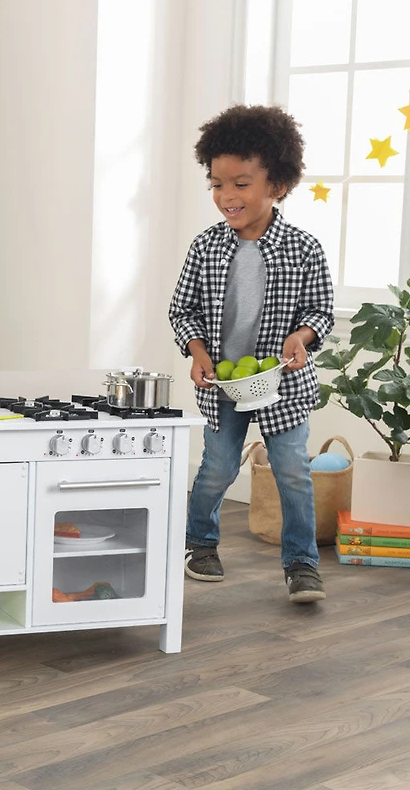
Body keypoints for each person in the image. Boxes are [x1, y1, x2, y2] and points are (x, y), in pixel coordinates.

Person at [169, 104, 334, 603]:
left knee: (292, 472)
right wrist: (198, 353)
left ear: (277, 185)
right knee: (218, 468)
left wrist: (300, 338)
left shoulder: (304, 249)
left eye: (241, 183)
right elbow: (183, 311)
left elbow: (320, 311)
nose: (227, 196)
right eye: (218, 184)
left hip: (283, 384)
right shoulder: (206, 248)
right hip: (223, 384)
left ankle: (302, 564)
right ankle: (198, 543)